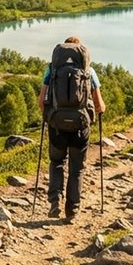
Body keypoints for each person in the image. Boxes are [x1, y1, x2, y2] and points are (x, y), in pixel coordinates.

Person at [38, 36, 105, 222]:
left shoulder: (51, 70)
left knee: (57, 162)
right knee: (77, 169)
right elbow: (99, 105)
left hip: (57, 126)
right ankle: (72, 211)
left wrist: (51, 115)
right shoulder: (88, 71)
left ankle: (55, 203)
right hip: (80, 127)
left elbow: (41, 102)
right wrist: (97, 110)